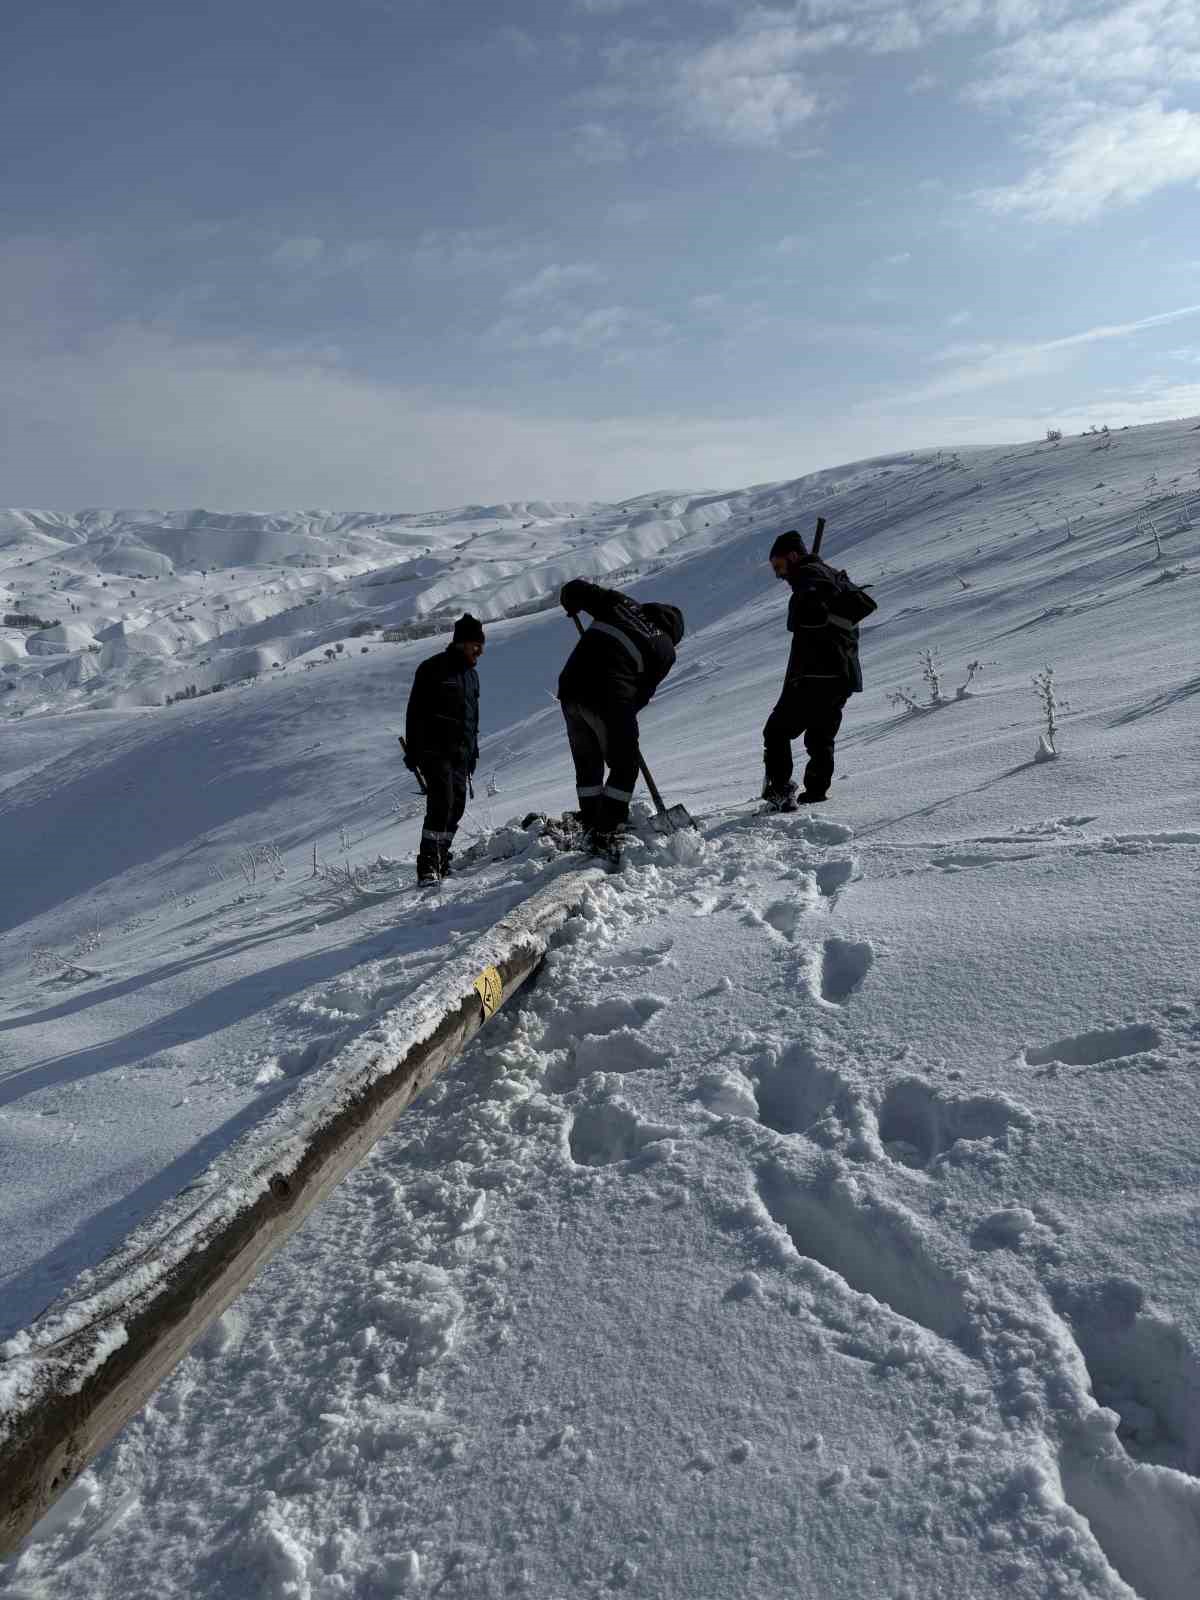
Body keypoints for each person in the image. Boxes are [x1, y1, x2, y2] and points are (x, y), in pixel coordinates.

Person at [557, 578, 684, 857]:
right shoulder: (665, 648)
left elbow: (577, 589)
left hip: (570, 688)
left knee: (588, 763)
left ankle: (591, 825)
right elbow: (641, 695)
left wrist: (570, 600)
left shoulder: (623, 605)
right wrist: (620, 726)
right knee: (625, 764)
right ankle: (606, 832)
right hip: (609, 695)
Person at [762, 529, 866, 809]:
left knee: (776, 731)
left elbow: (809, 618)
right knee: (821, 735)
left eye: (780, 566)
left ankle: (780, 793)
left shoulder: (810, 579)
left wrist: (805, 603)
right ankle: (817, 792)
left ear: (794, 557)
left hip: (816, 674)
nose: (779, 575)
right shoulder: (832, 576)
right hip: (843, 674)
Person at [404, 613, 484, 883]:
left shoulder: (472, 677)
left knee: (457, 806)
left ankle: (442, 856)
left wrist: (473, 752)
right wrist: (414, 750)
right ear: (463, 643)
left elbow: (472, 718)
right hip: (434, 750)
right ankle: (428, 864)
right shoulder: (432, 669)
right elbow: (415, 711)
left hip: (462, 753)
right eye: (476, 645)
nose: (480, 651)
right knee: (441, 803)